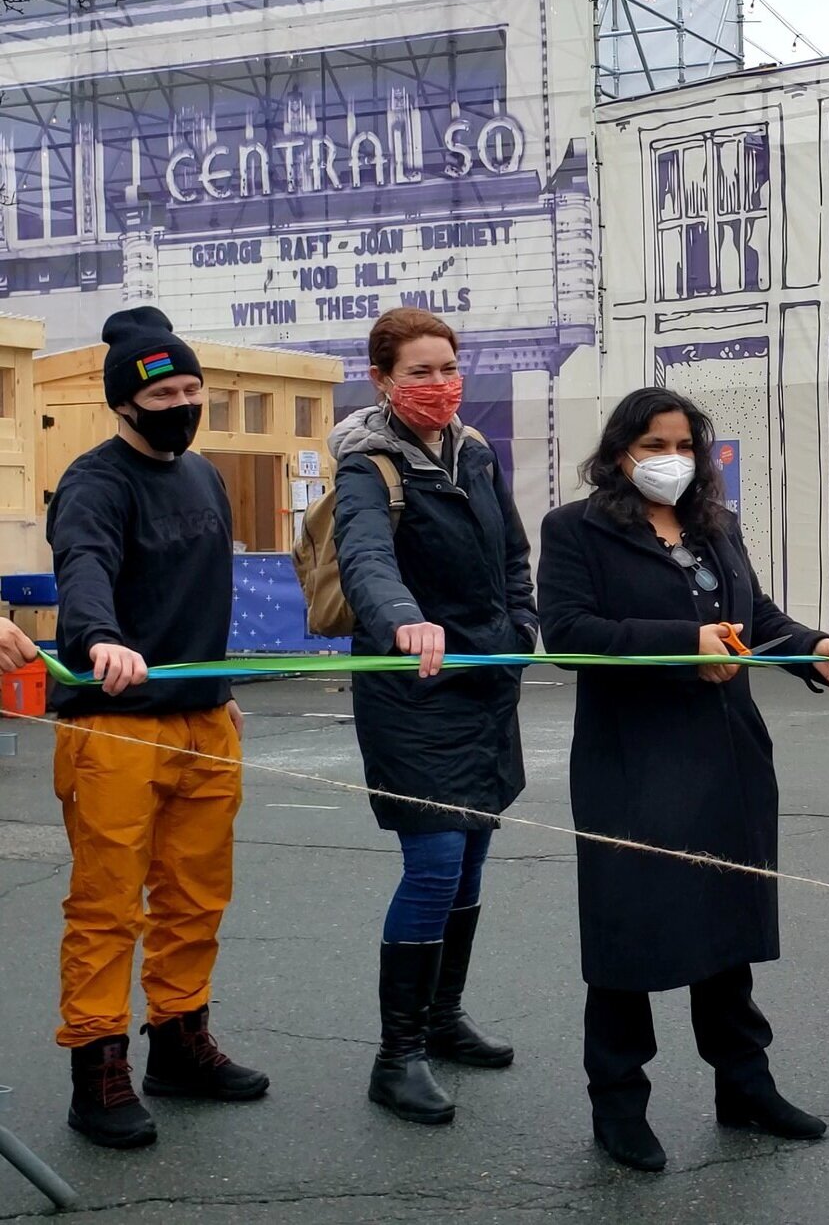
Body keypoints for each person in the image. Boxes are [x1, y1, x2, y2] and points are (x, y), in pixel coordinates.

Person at [537, 388, 829, 1173]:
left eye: (684, 445)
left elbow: (756, 620)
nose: (671, 459)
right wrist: (685, 642)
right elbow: (569, 635)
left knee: (726, 928)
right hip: (632, 764)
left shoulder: (717, 526)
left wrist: (812, 647)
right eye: (654, 445)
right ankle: (619, 1104)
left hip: (726, 759)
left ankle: (744, 1085)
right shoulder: (575, 530)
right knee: (627, 935)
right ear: (620, 452)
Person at [47, 306, 267, 1151]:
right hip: (114, 727)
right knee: (107, 905)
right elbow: (85, 566)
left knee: (196, 897)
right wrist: (99, 638)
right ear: (124, 403)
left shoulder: (204, 477)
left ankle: (179, 1041)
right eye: (164, 394)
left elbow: (199, 596)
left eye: (191, 389)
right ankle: (97, 1065)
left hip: (203, 719)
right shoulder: (94, 484)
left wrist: (216, 686)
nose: (182, 405)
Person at [330, 307, 536, 1127]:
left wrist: (520, 628)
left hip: (484, 681)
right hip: (412, 690)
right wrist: (404, 618)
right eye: (420, 371)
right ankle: (398, 1056)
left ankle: (444, 1020)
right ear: (382, 379)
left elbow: (512, 554)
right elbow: (365, 557)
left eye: (449, 367)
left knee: (472, 857)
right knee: (435, 862)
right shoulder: (367, 463)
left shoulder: (474, 451)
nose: (440, 384)